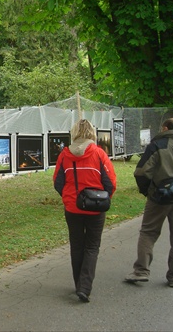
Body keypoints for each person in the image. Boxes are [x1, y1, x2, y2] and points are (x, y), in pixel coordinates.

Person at [125, 118, 173, 288]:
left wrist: (148, 192)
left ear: (165, 128)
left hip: (158, 197)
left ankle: (141, 271)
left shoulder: (157, 146)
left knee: (148, 233)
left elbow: (141, 173)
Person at [53, 119, 117, 303]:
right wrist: (104, 199)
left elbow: (58, 182)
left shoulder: (64, 155)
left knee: (77, 245)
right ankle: (85, 287)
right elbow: (110, 182)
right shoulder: (98, 154)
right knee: (92, 246)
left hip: (72, 207)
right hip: (96, 208)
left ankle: (78, 284)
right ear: (92, 133)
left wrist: (68, 197)